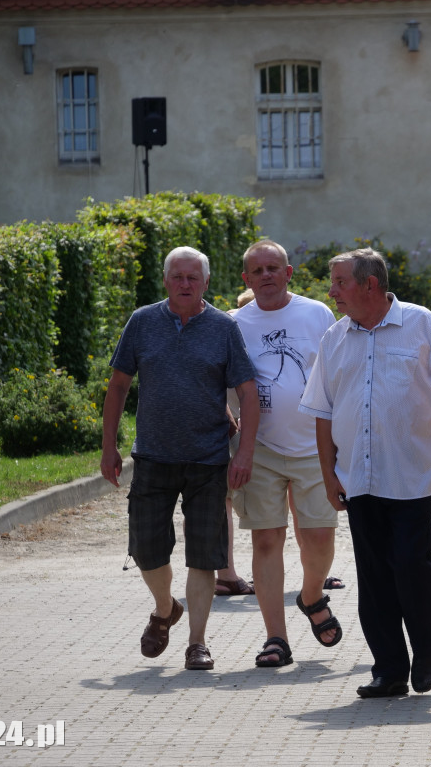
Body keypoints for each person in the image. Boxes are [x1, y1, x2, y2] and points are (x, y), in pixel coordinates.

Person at [299, 248, 431, 699]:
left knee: (412, 567)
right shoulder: (334, 338)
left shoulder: (422, 324)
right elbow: (322, 411)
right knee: (373, 576)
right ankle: (389, 669)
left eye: (338, 282)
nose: (332, 291)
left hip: (412, 473)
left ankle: (424, 651)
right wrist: (329, 473)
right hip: (358, 476)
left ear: (368, 284)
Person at [101, 246, 259, 671]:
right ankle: (165, 607)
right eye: (177, 276)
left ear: (206, 282)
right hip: (152, 456)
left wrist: (243, 452)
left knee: (204, 555)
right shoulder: (142, 322)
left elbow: (247, 392)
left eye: (193, 277)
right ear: (165, 280)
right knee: (147, 550)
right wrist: (108, 446)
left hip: (208, 461)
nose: (185, 284)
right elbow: (117, 387)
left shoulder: (223, 328)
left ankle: (197, 643)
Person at [232, 239, 341, 668]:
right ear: (246, 279)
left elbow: (336, 375)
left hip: (315, 447)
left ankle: (311, 594)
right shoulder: (234, 323)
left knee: (319, 538)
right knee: (266, 539)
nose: (266, 276)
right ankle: (275, 638)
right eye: (257, 271)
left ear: (289, 272)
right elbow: (221, 382)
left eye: (273, 268)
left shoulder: (317, 313)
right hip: (259, 448)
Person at [216, 288, 258, 597]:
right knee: (225, 501)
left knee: (224, 502)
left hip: (228, 426)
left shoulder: (225, 325)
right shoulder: (233, 327)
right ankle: (226, 575)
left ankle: (226, 573)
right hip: (230, 428)